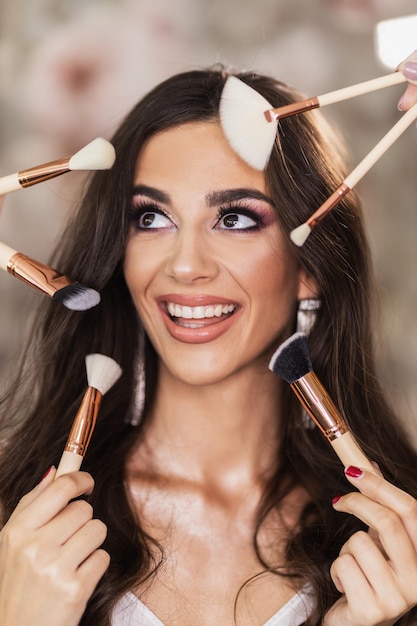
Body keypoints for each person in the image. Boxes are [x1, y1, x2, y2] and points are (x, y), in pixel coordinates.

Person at [0, 58, 417, 626]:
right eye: (151, 219)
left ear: (309, 265)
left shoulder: (397, 541)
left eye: (236, 219)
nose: (186, 265)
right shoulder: (16, 524)